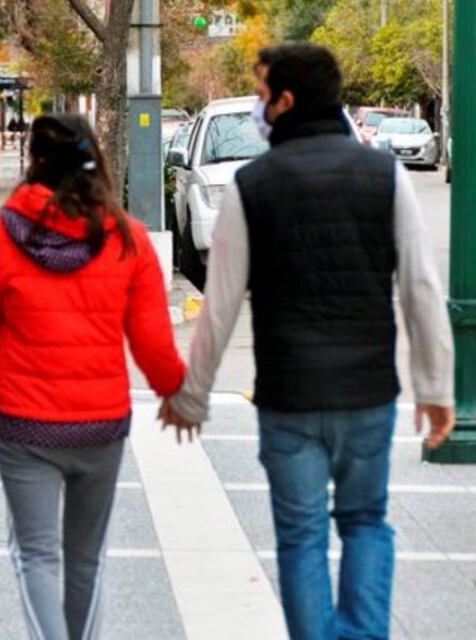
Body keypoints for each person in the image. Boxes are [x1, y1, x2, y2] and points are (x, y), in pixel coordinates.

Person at [163, 44, 456, 640]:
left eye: (263, 96)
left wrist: (192, 397)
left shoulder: (251, 184)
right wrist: (435, 389)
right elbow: (421, 290)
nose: (259, 109)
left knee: (300, 536)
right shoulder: (385, 177)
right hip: (368, 393)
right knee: (366, 523)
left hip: (289, 395)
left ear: (288, 102)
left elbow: (219, 307)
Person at [0, 114, 186, 640]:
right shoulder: (127, 238)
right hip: (101, 424)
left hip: (25, 424)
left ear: (34, 160)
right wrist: (177, 391)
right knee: (87, 559)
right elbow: (153, 343)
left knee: (35, 554)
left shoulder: (0, 232)